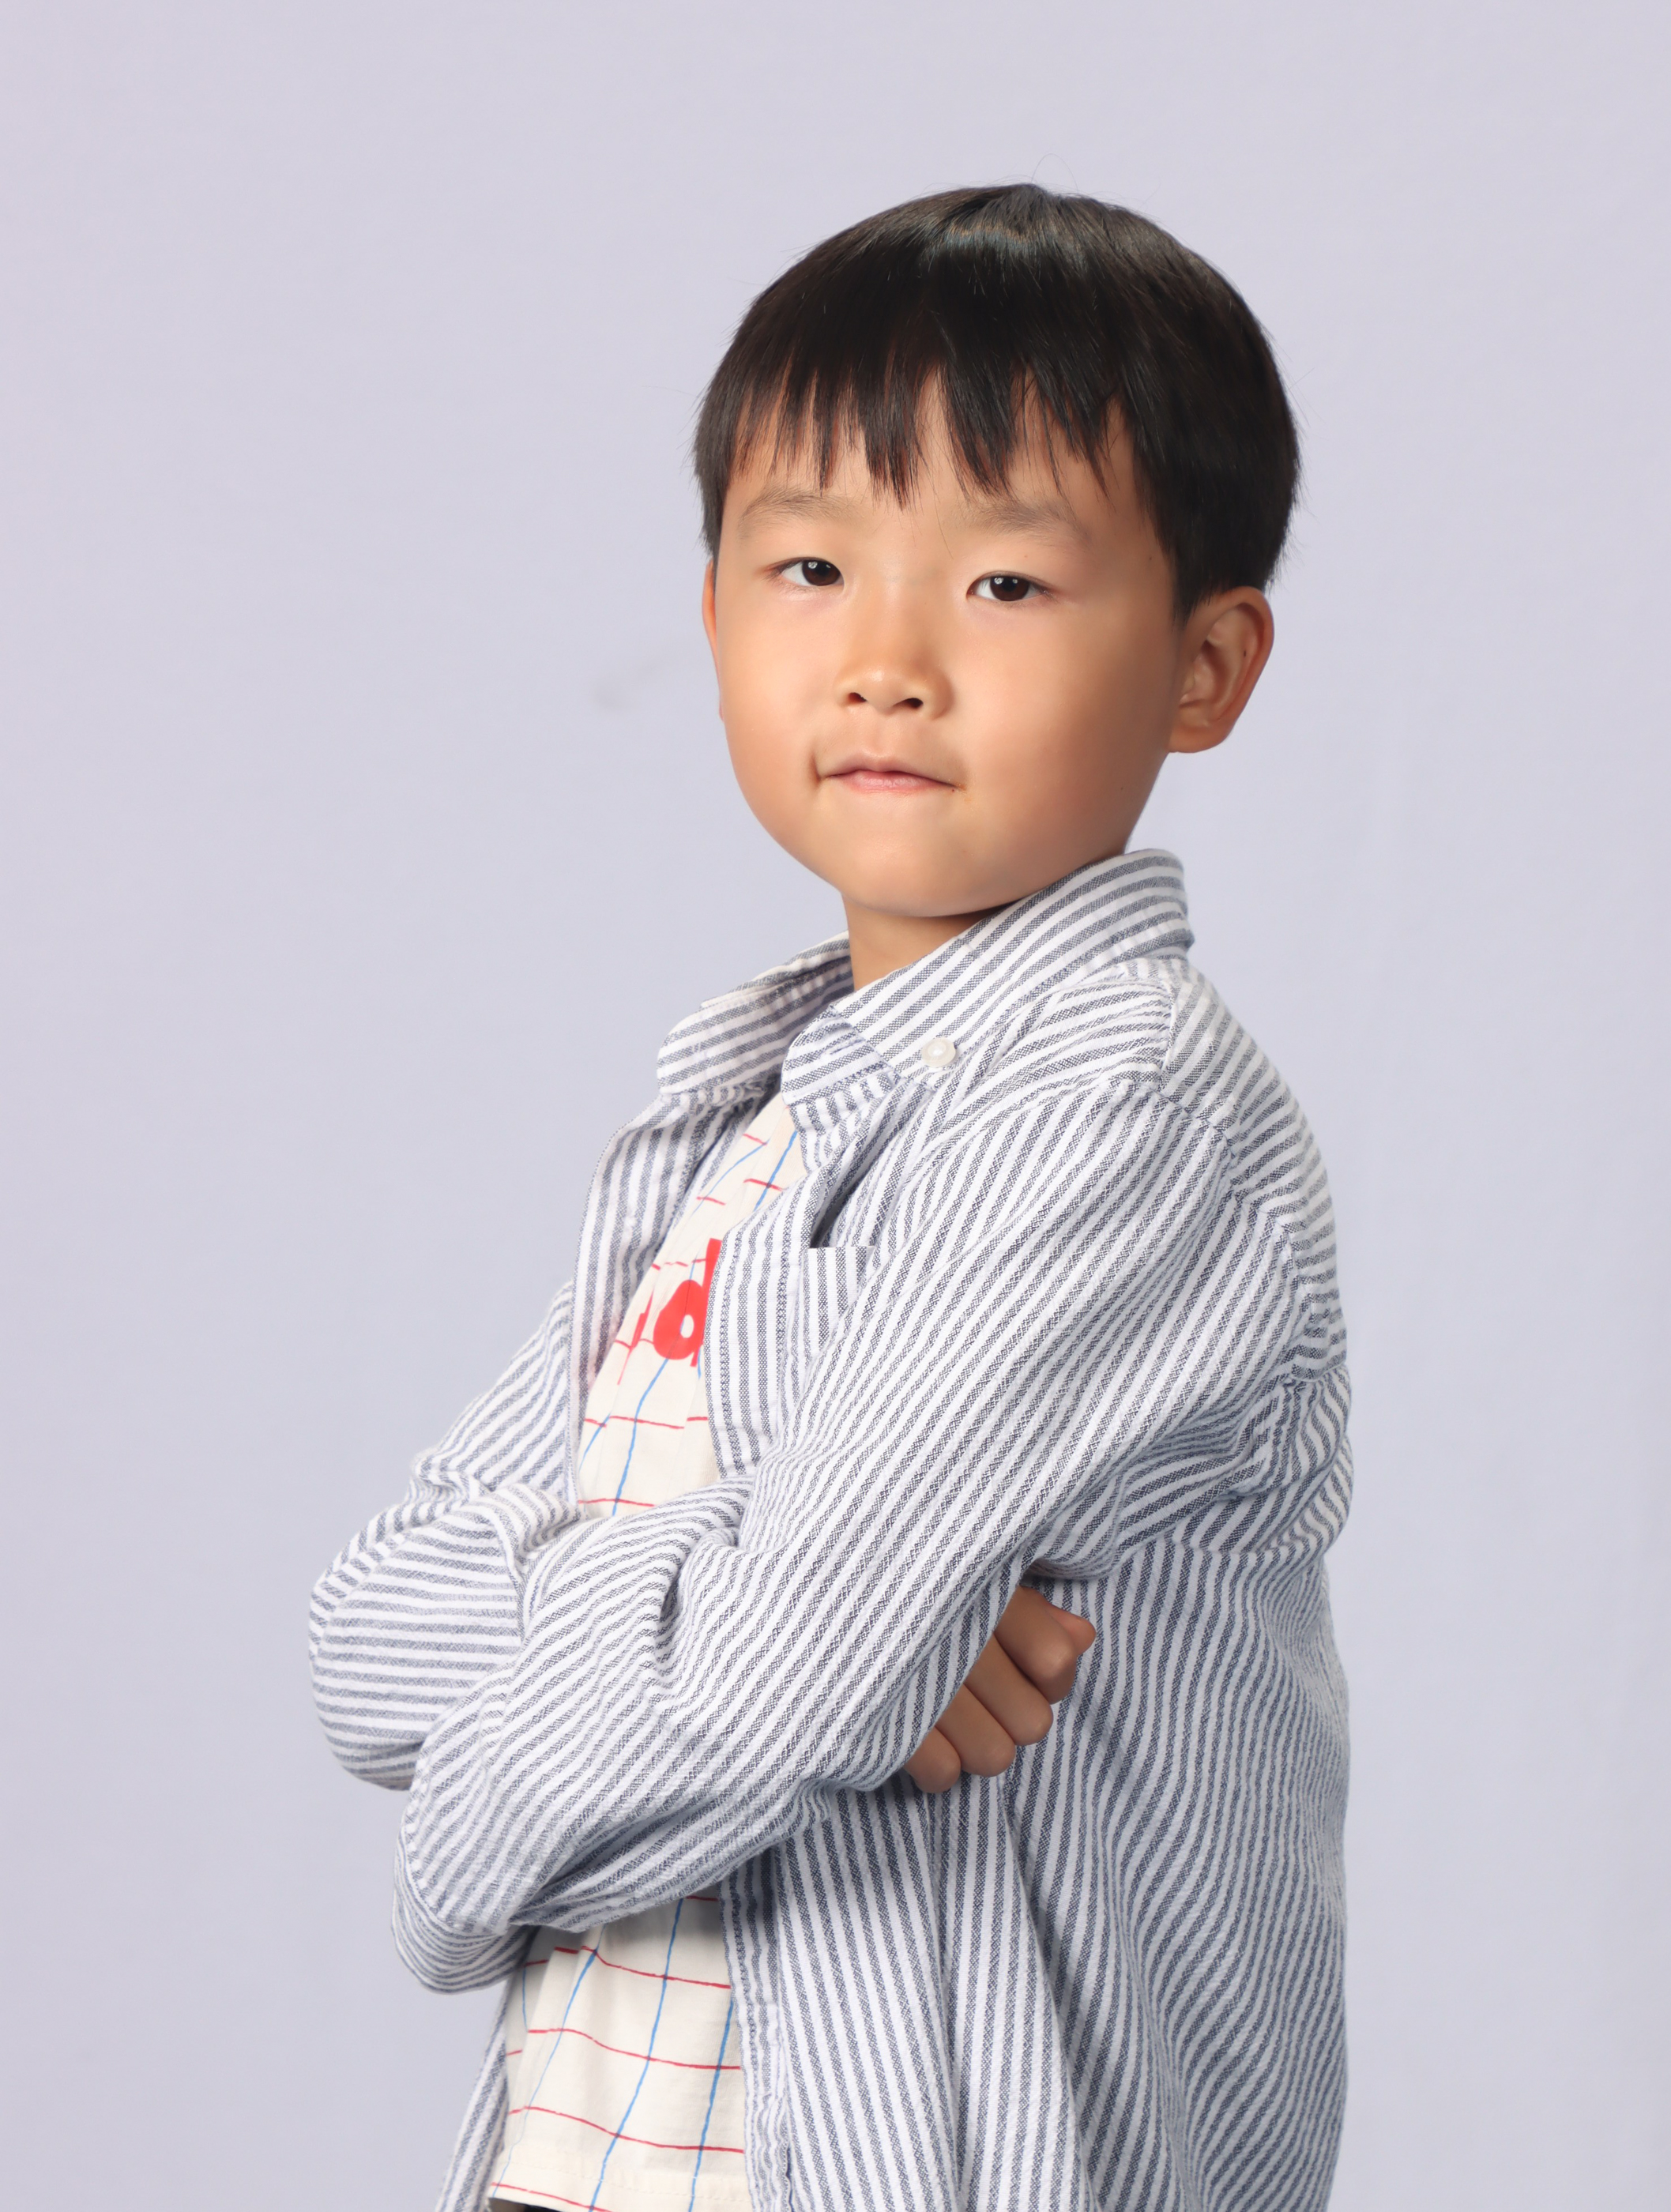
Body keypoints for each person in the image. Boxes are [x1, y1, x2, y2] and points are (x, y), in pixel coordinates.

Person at [310, 182, 1352, 2212]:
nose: (884, 662)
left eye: (1006, 584)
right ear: (712, 613)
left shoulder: (1122, 1112)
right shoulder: (739, 1126)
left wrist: (502, 1811)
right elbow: (366, 1634)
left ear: (1206, 663)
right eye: (807, 565)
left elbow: (790, 1664)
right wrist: (786, 1606)